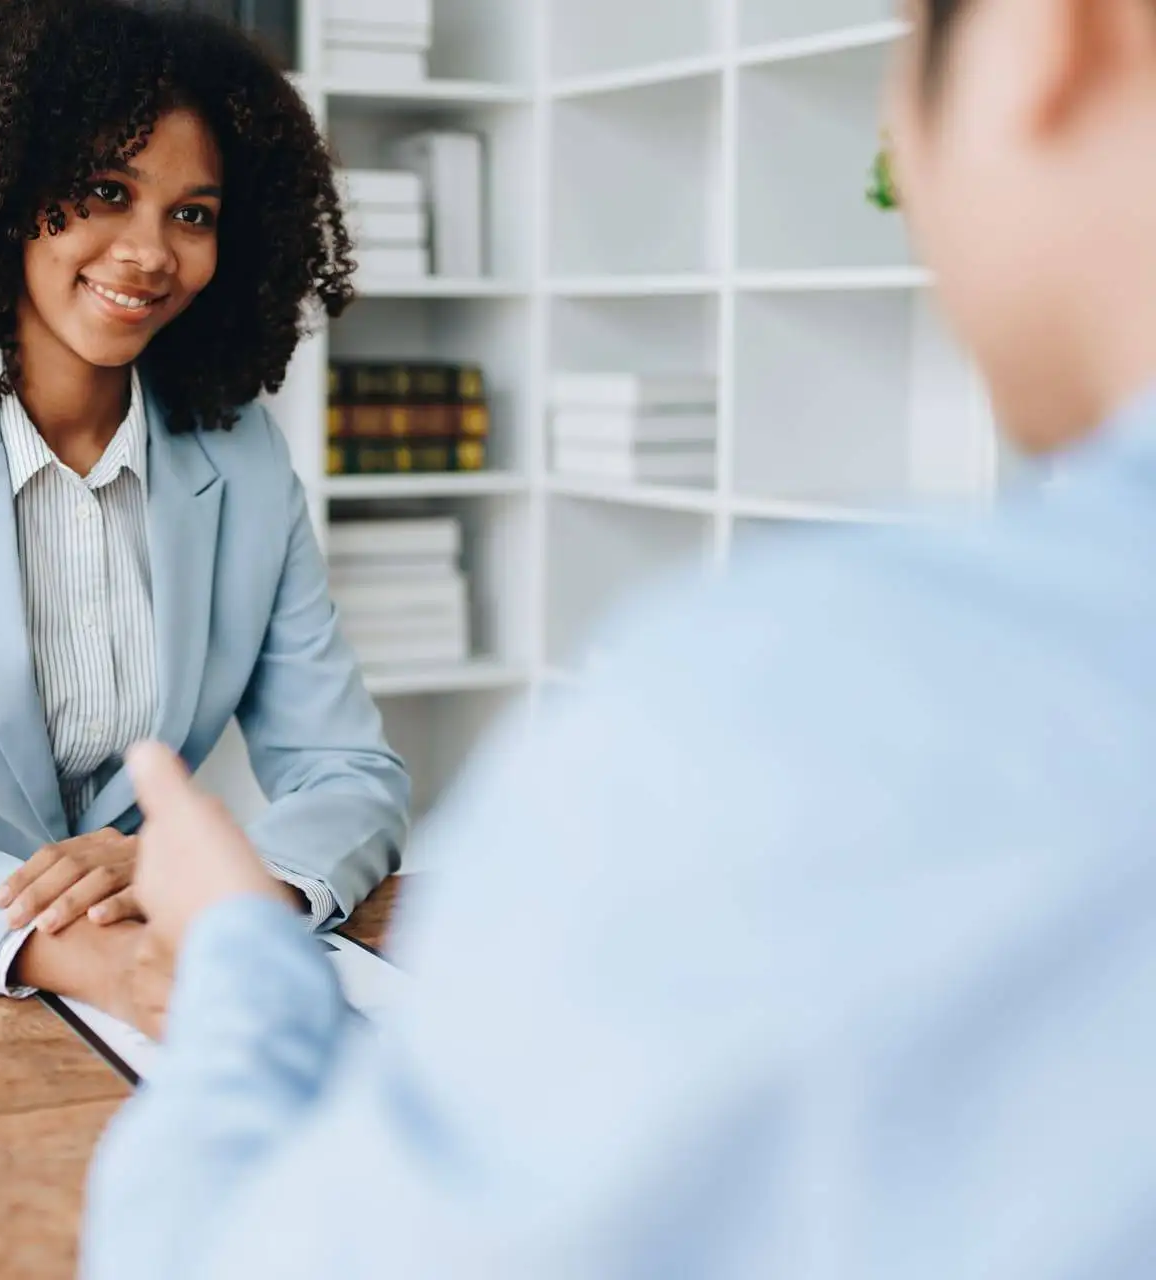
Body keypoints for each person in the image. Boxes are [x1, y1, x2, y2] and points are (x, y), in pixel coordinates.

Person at [81, 0, 1156, 1273]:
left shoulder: (779, 711)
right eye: (104, 190)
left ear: (1052, 33)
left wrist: (240, 953)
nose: (892, 138)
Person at [0, 0, 408, 1032]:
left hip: (168, 973)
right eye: (107, 192)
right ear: (4, 193)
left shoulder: (241, 460)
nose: (150, 252)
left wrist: (220, 887)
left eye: (193, 214)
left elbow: (350, 773)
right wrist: (107, 962)